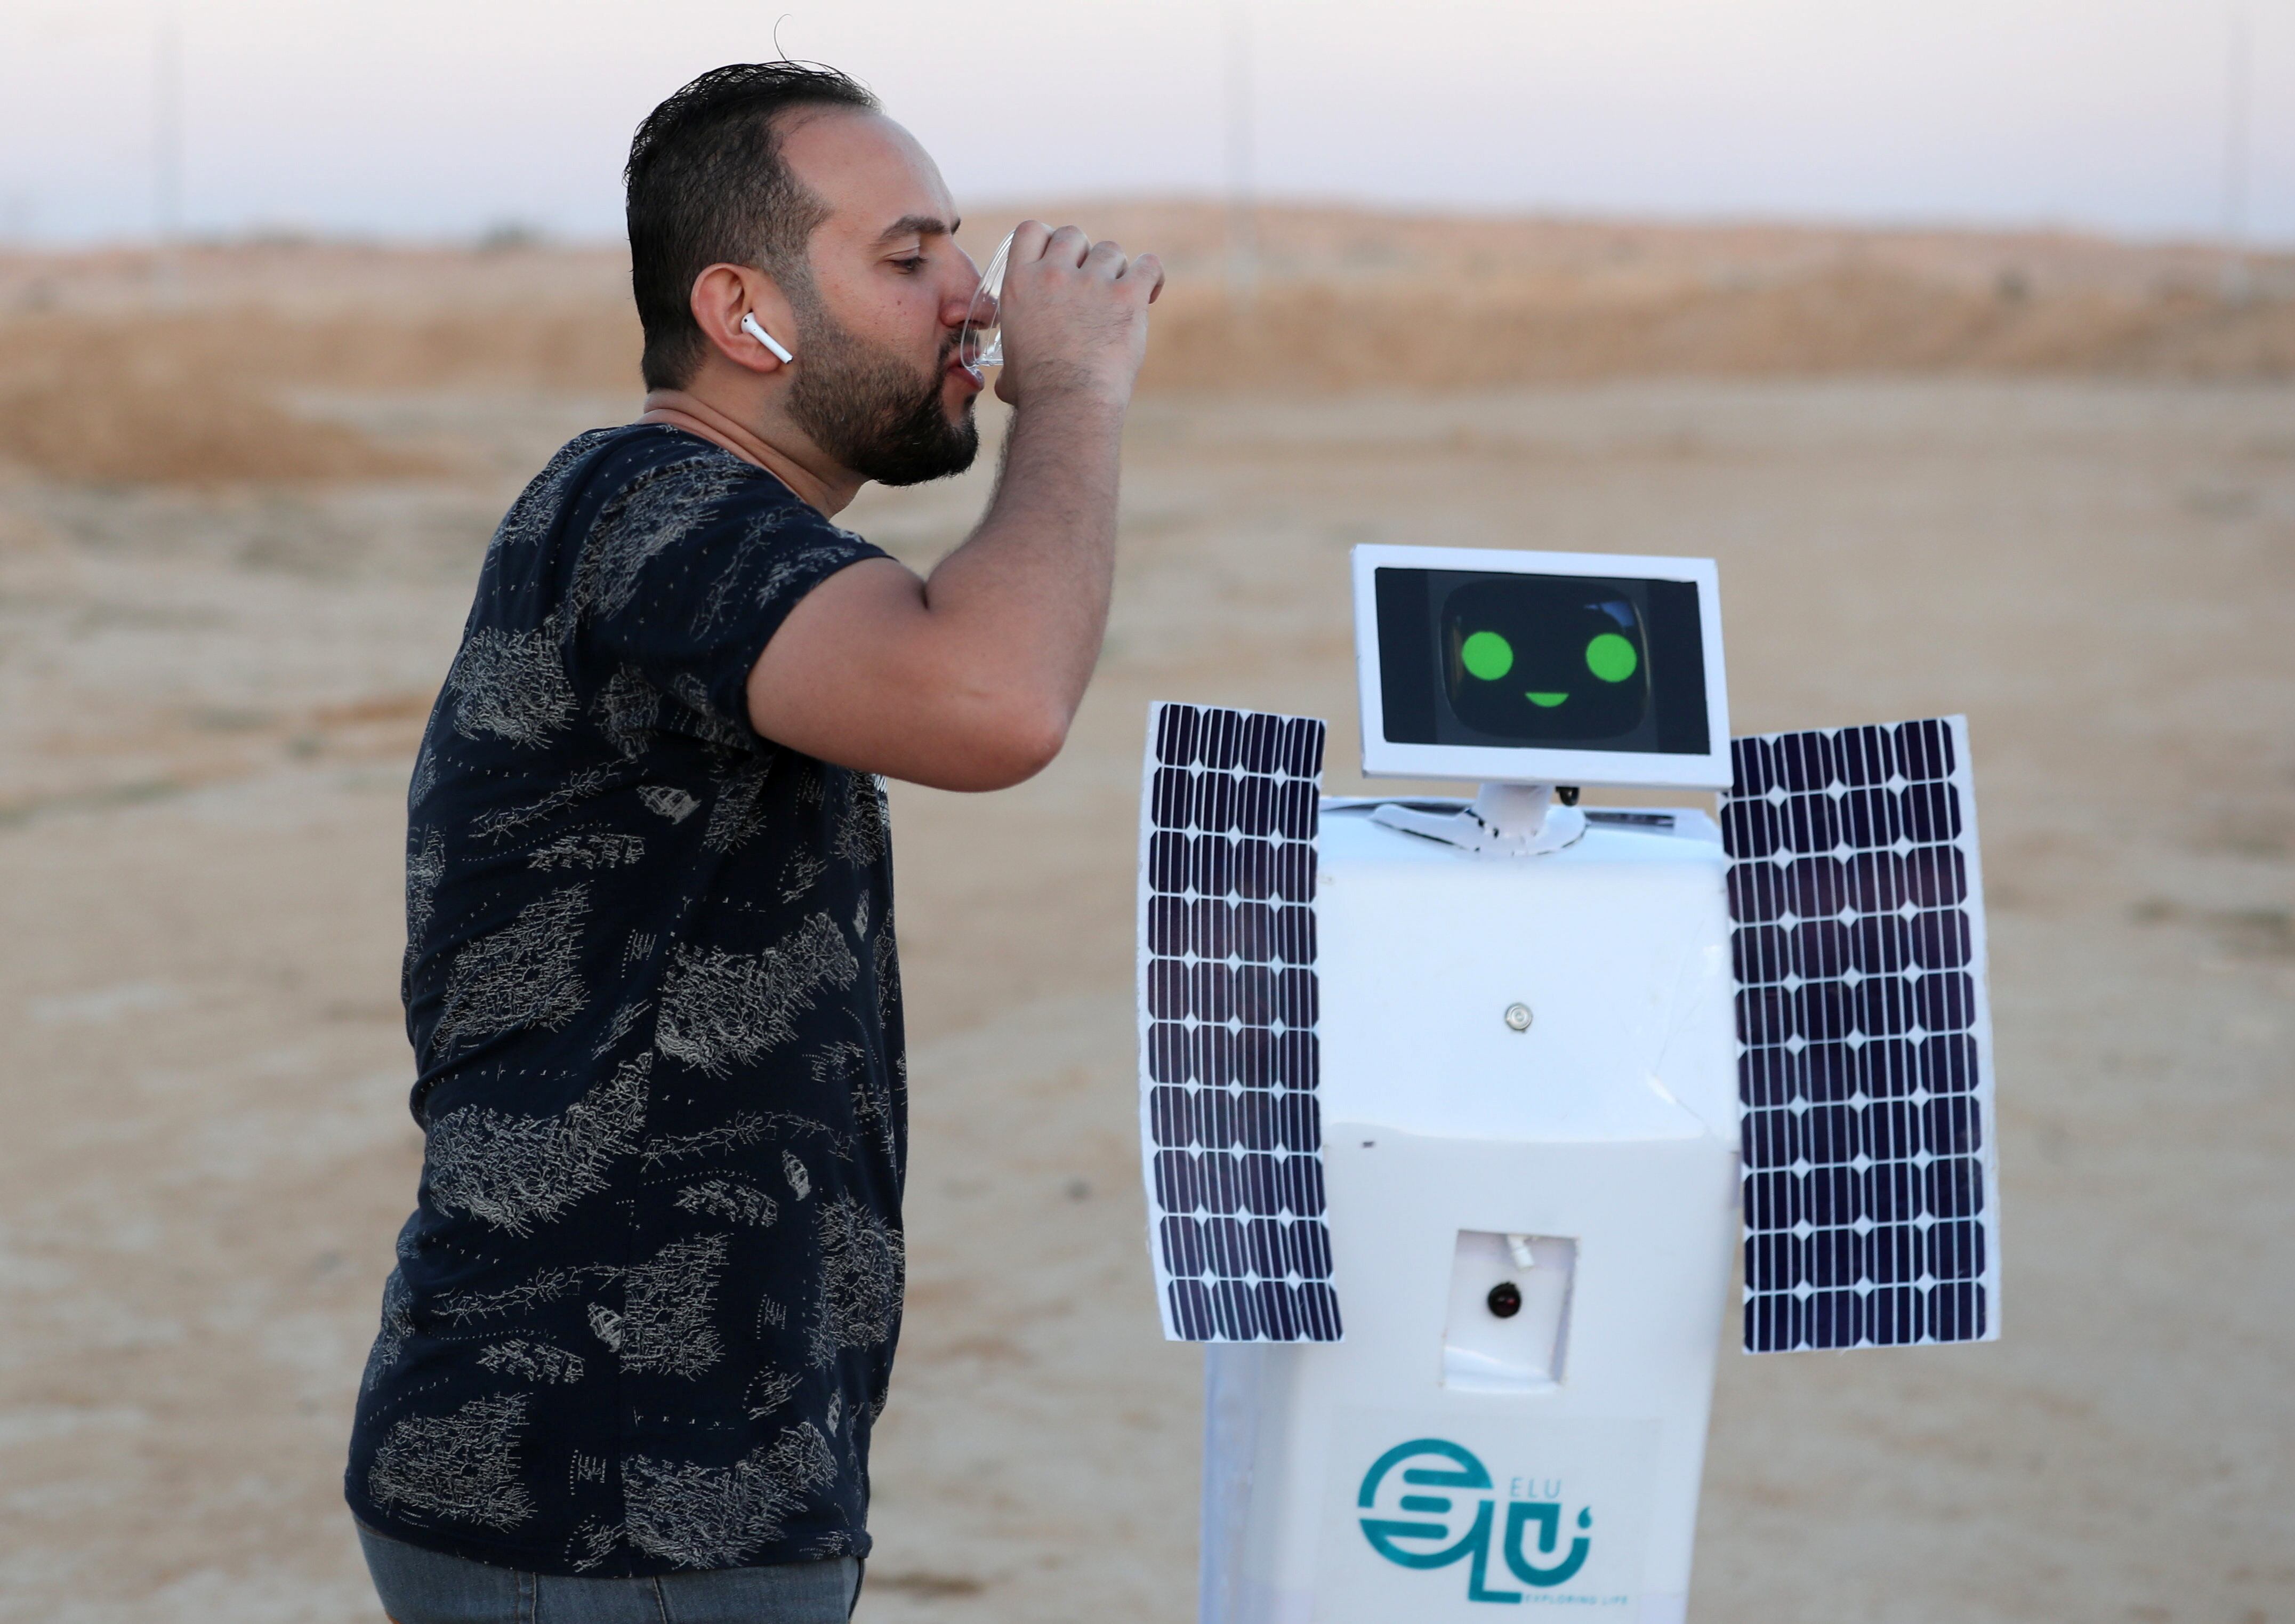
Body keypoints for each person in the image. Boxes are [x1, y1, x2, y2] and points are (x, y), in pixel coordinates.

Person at [343, 60, 1161, 1624]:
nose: (975, 302)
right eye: (908, 257)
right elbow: (992, 702)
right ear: (741, 312)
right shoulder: (653, 512)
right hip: (613, 1490)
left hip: (639, 1483)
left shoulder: (714, 535)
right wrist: (1076, 396)